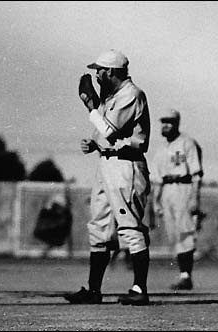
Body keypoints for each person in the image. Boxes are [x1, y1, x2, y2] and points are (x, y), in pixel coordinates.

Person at [64, 50, 152, 305]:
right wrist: (93, 142)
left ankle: (139, 288)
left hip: (126, 165)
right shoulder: (113, 96)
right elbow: (103, 132)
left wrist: (90, 106)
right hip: (107, 163)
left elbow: (110, 130)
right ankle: (94, 289)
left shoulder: (131, 94)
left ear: (111, 72)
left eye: (100, 70)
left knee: (130, 227)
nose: (97, 75)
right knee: (100, 226)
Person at [151, 109, 203, 290]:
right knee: (174, 234)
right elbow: (157, 179)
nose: (166, 125)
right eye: (163, 121)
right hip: (166, 190)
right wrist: (155, 201)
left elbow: (196, 173)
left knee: (185, 232)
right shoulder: (161, 149)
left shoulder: (187, 143)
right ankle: (183, 274)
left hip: (184, 187)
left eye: (169, 122)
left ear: (177, 123)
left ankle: (186, 275)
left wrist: (195, 199)